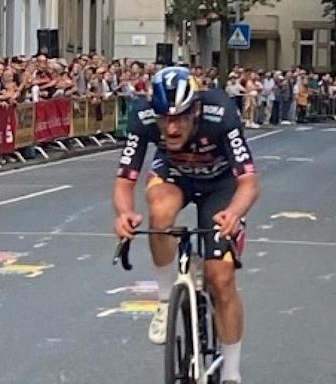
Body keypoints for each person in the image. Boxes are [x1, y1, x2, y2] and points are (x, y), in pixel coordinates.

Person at [112, 67, 260, 384]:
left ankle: (232, 373)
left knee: (221, 279)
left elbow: (248, 181)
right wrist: (124, 213)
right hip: (174, 176)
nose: (173, 127)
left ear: (196, 109)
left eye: (180, 117)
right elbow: (125, 180)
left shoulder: (221, 112)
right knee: (160, 213)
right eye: (165, 118)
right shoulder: (143, 116)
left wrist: (234, 213)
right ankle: (167, 300)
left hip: (221, 185)